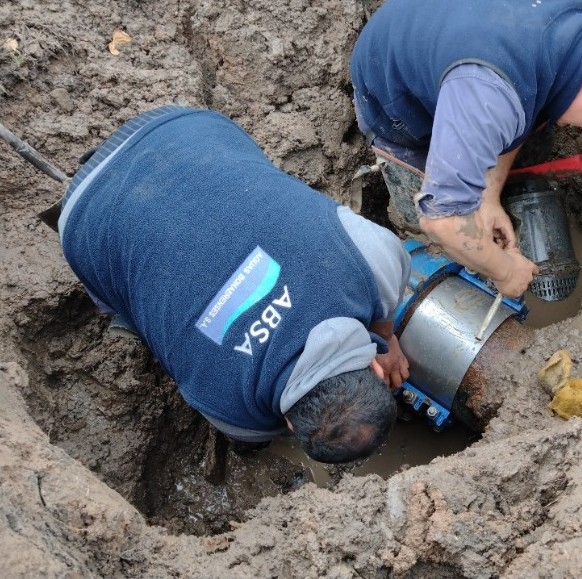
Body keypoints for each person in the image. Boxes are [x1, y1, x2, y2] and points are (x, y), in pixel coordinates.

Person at [56, 105, 411, 464]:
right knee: (124, 301)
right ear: (288, 422)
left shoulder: (373, 257)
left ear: (376, 367)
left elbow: (384, 303)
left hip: (182, 131)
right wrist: (390, 337)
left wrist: (387, 338)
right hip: (80, 220)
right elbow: (252, 435)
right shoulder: (231, 415)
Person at [350, 0, 582, 298]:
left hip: (461, 53)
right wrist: (506, 272)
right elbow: (442, 220)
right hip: (394, 94)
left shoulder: (580, 28)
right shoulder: (489, 96)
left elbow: (525, 97)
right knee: (424, 213)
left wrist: (488, 196)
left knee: (535, 125)